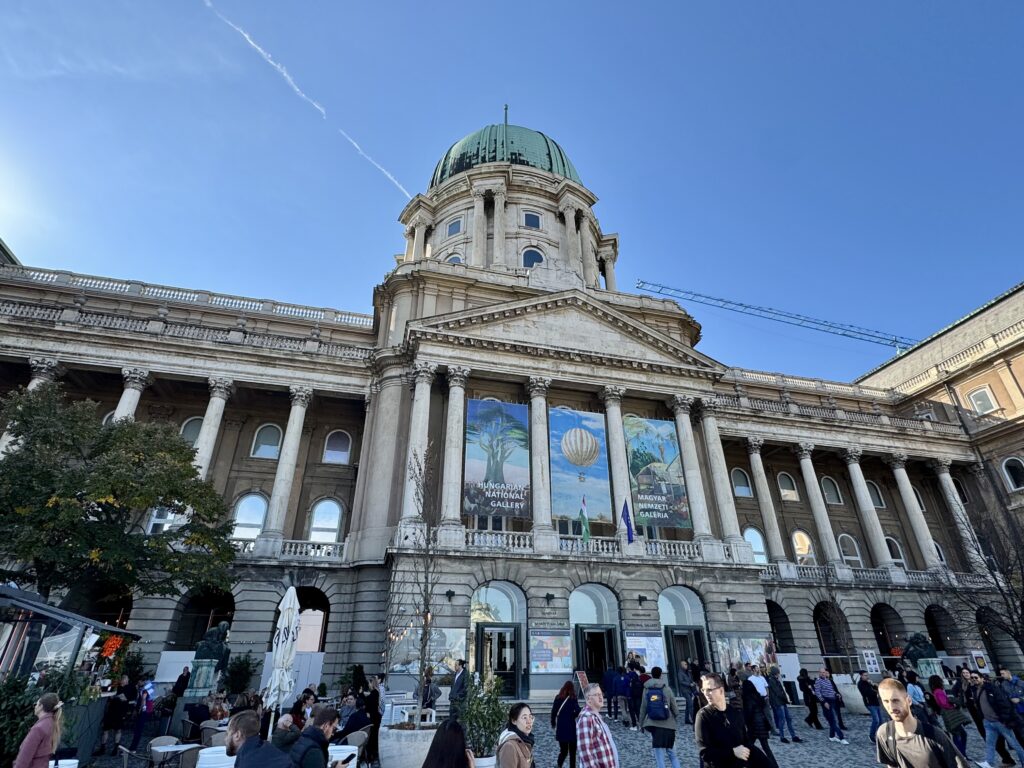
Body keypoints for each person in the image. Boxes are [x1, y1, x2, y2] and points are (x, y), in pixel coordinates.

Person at [876, 678, 971, 768]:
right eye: (886, 701)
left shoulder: (934, 735)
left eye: (895, 700)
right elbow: (891, 764)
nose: (891, 707)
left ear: (908, 700)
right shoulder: (884, 733)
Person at [695, 673, 773, 768]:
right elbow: (705, 753)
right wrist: (732, 752)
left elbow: (745, 744)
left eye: (710, 690)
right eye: (704, 690)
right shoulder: (703, 716)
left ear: (721, 690)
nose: (706, 694)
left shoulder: (734, 713)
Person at [970, 671, 1024, 768]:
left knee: (1014, 744)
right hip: (988, 722)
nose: (974, 679)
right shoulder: (975, 691)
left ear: (982, 678)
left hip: (999, 722)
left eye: (976, 677)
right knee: (990, 744)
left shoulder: (991, 688)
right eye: (972, 678)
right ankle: (989, 763)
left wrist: (1004, 719)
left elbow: (1004, 704)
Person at [639, 666, 681, 768]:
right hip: (669, 724)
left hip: (654, 724)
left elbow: (643, 707)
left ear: (651, 675)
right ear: (661, 675)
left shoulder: (647, 688)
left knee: (659, 756)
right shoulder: (667, 688)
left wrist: (641, 723)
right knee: (673, 755)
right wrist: (676, 716)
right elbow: (674, 706)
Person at [225, 710, 292, 768]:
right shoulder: (265, 748)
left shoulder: (248, 763)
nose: (225, 738)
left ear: (237, 735)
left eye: (228, 733)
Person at [14, 692, 63, 768]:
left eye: (36, 704)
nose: (35, 707)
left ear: (41, 706)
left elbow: (24, 758)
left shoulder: (38, 728)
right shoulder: (52, 723)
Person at [577, 682, 620, 768]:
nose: (601, 697)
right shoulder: (586, 718)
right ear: (589, 699)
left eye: (601, 694)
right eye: (596, 695)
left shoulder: (595, 717)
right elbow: (585, 752)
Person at [930, 674, 972, 758]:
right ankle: (961, 753)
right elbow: (944, 703)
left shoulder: (936, 691)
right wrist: (953, 705)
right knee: (960, 734)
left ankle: (960, 753)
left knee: (958, 734)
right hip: (950, 715)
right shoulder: (938, 691)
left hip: (947, 715)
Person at [741, 673, 778, 768]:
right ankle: (774, 765)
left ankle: (744, 764)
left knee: (747, 746)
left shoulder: (748, 699)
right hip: (762, 724)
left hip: (754, 726)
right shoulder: (757, 696)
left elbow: (749, 713)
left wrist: (744, 722)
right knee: (765, 747)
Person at [96, 674, 135, 755]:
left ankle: (116, 748)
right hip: (112, 710)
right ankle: (103, 747)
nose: (123, 682)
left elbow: (130, 698)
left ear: (127, 681)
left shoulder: (130, 687)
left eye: (124, 680)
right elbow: (110, 695)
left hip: (121, 711)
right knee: (105, 730)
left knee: (118, 730)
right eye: (122, 680)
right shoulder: (116, 686)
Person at [814, 667, 848, 744]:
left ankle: (832, 736)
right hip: (826, 701)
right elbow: (818, 693)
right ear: (819, 673)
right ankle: (841, 737)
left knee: (832, 720)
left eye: (824, 672)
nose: (823, 674)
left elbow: (831, 691)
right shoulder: (818, 681)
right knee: (832, 720)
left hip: (832, 701)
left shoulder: (828, 681)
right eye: (821, 672)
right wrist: (824, 702)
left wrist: (836, 694)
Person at [767, 666, 801, 743]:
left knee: (788, 718)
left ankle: (793, 736)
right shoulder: (772, 681)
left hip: (781, 702)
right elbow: (778, 692)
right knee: (782, 720)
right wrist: (787, 699)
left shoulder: (775, 680)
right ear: (776, 672)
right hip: (778, 702)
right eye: (778, 672)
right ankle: (782, 737)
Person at [551, 681, 580, 768]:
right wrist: (573, 715)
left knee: (563, 750)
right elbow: (578, 710)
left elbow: (554, 712)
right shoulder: (573, 698)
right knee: (572, 752)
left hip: (561, 728)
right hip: (571, 728)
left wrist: (553, 722)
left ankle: (559, 764)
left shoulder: (558, 698)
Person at [496, 702, 535, 768]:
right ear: (514, 721)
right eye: (524, 717)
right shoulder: (509, 746)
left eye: (530, 717)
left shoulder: (526, 740)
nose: (529, 721)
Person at [129, 672, 156, 751]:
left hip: (144, 710)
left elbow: (144, 698)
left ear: (142, 681)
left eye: (139, 682)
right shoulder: (150, 686)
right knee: (138, 729)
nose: (138, 683)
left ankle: (133, 748)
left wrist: (142, 708)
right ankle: (133, 747)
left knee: (138, 729)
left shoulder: (145, 688)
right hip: (147, 709)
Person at [859, 670, 884, 742]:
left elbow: (876, 688)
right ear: (861, 676)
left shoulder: (869, 682)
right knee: (876, 720)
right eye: (865, 675)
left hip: (876, 702)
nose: (867, 677)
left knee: (881, 721)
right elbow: (867, 692)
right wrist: (876, 692)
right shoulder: (861, 684)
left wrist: (874, 685)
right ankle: (871, 736)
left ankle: (880, 735)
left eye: (867, 675)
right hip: (870, 703)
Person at [679, 660, 697, 725]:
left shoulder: (688, 672)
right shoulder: (680, 673)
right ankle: (694, 720)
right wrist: (689, 684)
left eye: (686, 664)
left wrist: (693, 683)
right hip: (685, 690)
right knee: (690, 705)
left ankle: (686, 719)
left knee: (687, 705)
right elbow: (681, 681)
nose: (686, 665)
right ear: (681, 665)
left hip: (689, 690)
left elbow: (691, 679)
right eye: (685, 664)